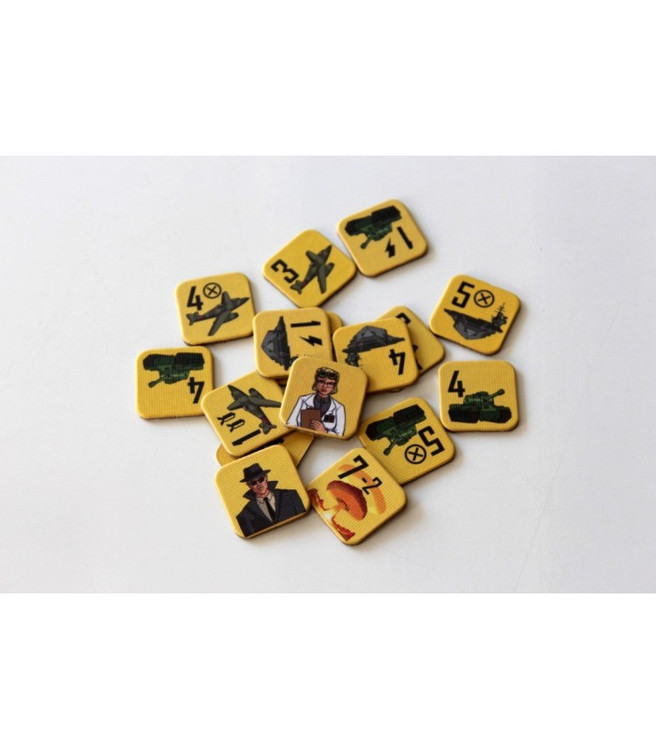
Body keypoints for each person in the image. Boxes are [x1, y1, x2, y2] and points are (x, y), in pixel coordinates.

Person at [235, 463, 306, 537]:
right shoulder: (245, 515)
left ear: (266, 477)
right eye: (253, 483)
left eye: (260, 479)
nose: (259, 484)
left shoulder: (291, 496)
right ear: (249, 485)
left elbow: (304, 518)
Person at [287, 366, 345, 436]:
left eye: (330, 383)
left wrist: (324, 432)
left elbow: (339, 434)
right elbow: (291, 423)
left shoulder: (339, 408)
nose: (325, 386)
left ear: (334, 386)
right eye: (321, 381)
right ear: (316, 382)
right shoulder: (303, 400)